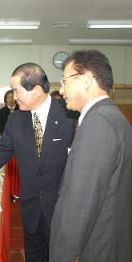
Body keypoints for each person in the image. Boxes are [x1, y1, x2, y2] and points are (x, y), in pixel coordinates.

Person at [0, 63, 77, 262]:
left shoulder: (69, 114)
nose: (14, 96)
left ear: (36, 90)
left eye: (17, 90)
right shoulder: (16, 119)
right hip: (31, 209)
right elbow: (1, 151)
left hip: (62, 209)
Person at [50, 50, 132, 262]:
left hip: (95, 247)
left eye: (64, 80)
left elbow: (81, 202)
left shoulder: (98, 123)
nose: (61, 89)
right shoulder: (113, 116)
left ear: (86, 80)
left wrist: (63, 256)